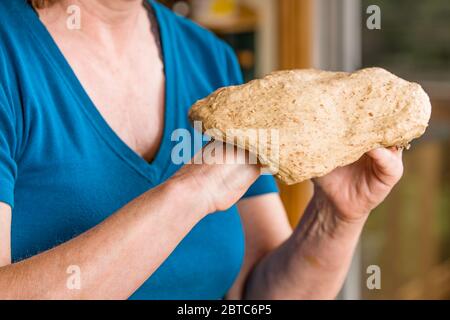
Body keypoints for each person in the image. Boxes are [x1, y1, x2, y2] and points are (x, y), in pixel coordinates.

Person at [0, 0, 403, 299]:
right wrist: (192, 191)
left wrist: (336, 216)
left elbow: (256, 295)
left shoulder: (209, 58)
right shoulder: (9, 52)